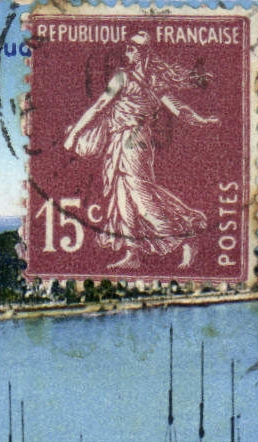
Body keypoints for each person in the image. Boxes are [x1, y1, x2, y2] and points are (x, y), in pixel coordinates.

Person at [62, 30, 220, 268]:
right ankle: (132, 253)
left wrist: (202, 120)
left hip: (135, 141)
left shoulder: (149, 81)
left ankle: (186, 237)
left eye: (132, 48)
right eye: (127, 48)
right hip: (118, 140)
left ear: (143, 53)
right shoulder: (123, 77)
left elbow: (178, 109)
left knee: (140, 195)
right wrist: (75, 133)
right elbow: (99, 106)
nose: (127, 52)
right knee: (121, 195)